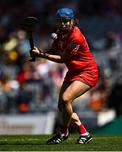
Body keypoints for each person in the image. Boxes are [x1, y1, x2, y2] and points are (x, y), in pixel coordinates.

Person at [30, 7, 98, 144]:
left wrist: (41, 55)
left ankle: (63, 132)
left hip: (87, 72)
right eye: (60, 21)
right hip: (73, 72)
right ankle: (84, 133)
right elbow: (54, 49)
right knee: (62, 106)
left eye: (66, 21)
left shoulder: (76, 37)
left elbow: (62, 58)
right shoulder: (60, 33)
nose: (63, 24)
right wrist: (39, 52)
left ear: (73, 21)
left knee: (66, 99)